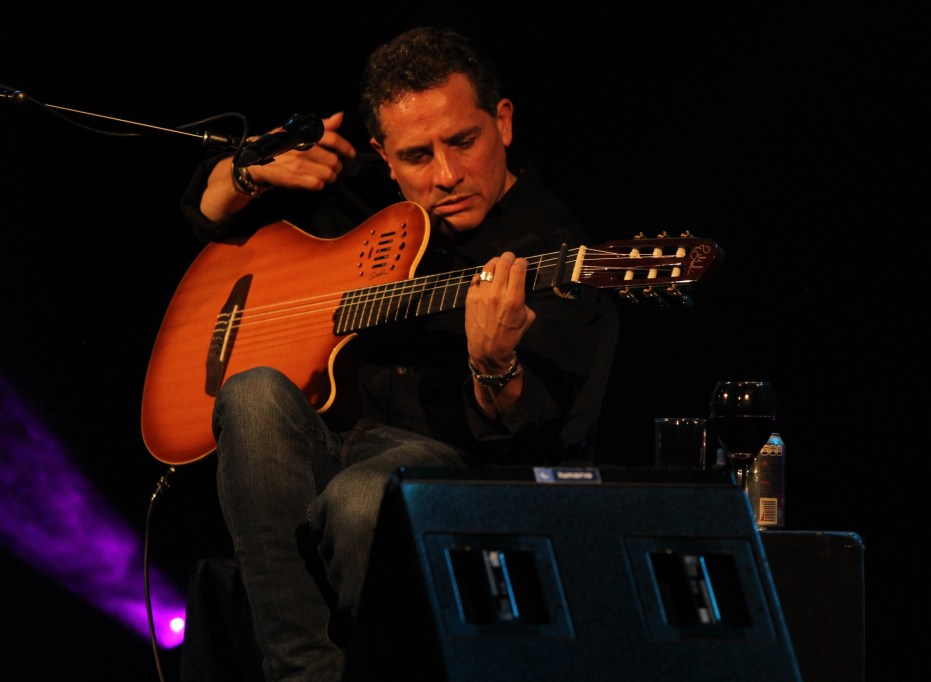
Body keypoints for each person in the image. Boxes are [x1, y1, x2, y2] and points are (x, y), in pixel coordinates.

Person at [179, 25, 619, 680]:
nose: (446, 175)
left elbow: (541, 438)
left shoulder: (553, 253)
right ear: (384, 156)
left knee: (363, 500)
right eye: (417, 156)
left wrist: (494, 366)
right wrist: (244, 171)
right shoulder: (356, 198)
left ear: (503, 122)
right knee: (249, 392)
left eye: (463, 142)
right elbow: (205, 216)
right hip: (326, 442)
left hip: (446, 462)